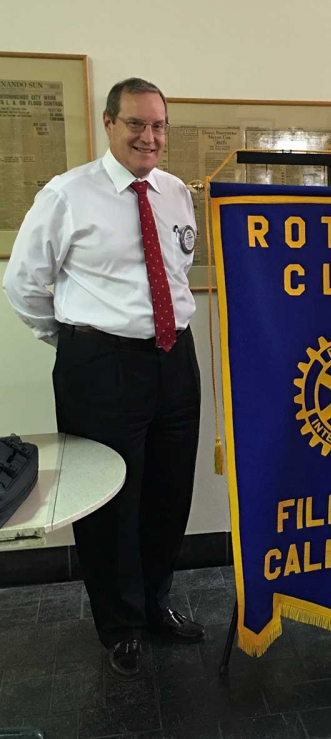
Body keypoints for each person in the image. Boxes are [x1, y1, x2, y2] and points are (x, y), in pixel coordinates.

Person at [3, 77, 204, 680]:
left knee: (169, 491)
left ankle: (157, 602)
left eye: (159, 125)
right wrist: (74, 341)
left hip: (174, 358)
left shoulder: (173, 192)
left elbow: (177, 267)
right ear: (110, 124)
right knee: (111, 501)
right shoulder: (67, 194)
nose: (149, 136)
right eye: (136, 124)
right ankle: (120, 625)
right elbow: (22, 285)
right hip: (100, 365)